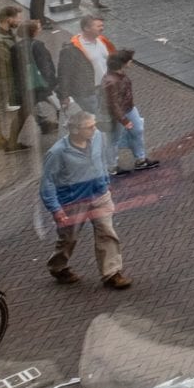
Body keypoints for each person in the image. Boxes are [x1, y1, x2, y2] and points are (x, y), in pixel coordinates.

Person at [41, 112, 129, 288]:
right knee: (69, 238)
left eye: (94, 124)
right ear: (74, 130)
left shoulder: (97, 138)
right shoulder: (58, 152)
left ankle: (112, 273)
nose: (94, 129)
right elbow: (47, 183)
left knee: (107, 232)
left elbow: (100, 159)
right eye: (89, 127)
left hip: (99, 196)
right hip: (74, 202)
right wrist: (56, 209)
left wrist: (105, 181)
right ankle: (58, 267)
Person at [99, 49, 156, 174]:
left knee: (138, 130)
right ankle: (112, 167)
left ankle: (140, 159)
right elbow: (113, 104)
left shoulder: (118, 74)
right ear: (123, 63)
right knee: (113, 140)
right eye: (130, 60)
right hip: (118, 114)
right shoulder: (112, 81)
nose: (131, 62)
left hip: (128, 108)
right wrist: (124, 120)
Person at [0, 6, 29, 152]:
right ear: (9, 19)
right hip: (1, 77)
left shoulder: (7, 33)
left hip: (6, 76)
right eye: (17, 18)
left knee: (0, 105)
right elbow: (8, 58)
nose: (19, 21)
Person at [57, 14, 114, 118]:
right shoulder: (71, 49)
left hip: (104, 88)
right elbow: (64, 73)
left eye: (102, 25)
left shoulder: (102, 41)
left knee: (106, 118)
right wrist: (64, 96)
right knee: (97, 120)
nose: (102, 28)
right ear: (86, 28)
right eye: (98, 26)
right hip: (87, 92)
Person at [23, 19, 58, 136]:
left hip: (31, 80)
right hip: (40, 80)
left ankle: (44, 123)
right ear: (34, 31)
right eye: (39, 27)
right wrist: (51, 79)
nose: (41, 28)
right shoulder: (37, 45)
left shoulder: (23, 43)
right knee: (45, 99)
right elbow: (45, 65)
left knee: (35, 102)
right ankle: (47, 122)